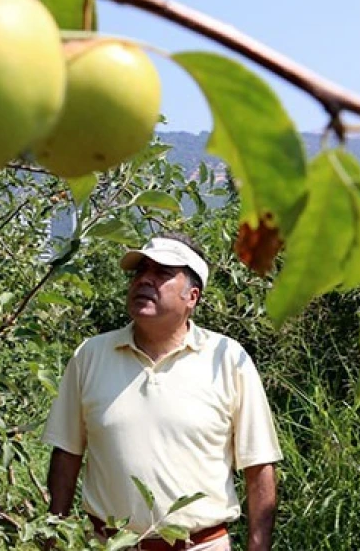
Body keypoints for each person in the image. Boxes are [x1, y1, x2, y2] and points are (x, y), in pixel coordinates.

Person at [41, 233, 282, 551]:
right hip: (109, 546)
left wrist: (258, 546)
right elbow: (67, 453)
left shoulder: (228, 359)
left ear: (192, 297)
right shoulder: (91, 355)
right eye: (141, 272)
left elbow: (259, 464)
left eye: (162, 274)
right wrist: (52, 534)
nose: (144, 281)